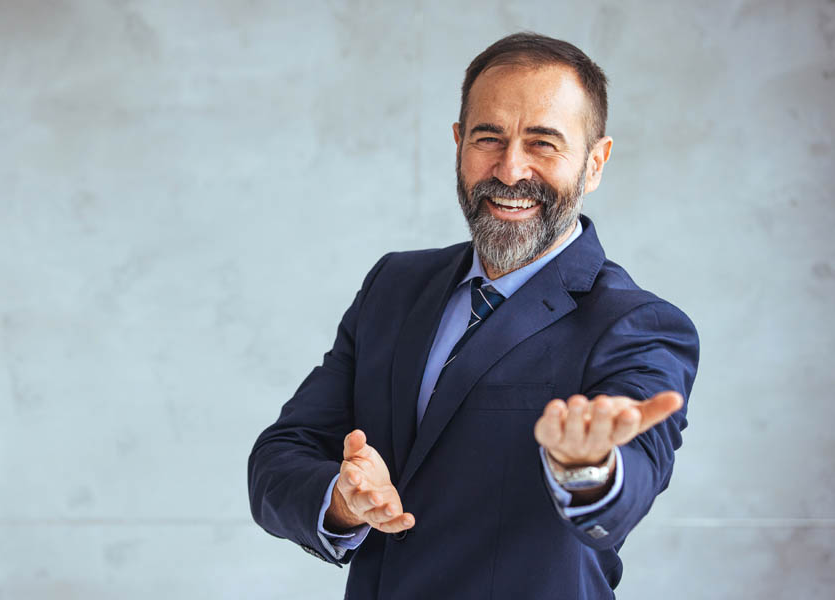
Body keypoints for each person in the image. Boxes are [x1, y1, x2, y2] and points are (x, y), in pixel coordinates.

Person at [248, 32, 699, 599]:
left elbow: (625, 491)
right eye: (489, 137)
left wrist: (587, 466)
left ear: (595, 163)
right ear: (460, 142)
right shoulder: (394, 285)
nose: (510, 170)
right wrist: (340, 501)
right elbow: (279, 457)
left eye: (543, 143)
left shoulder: (638, 324)